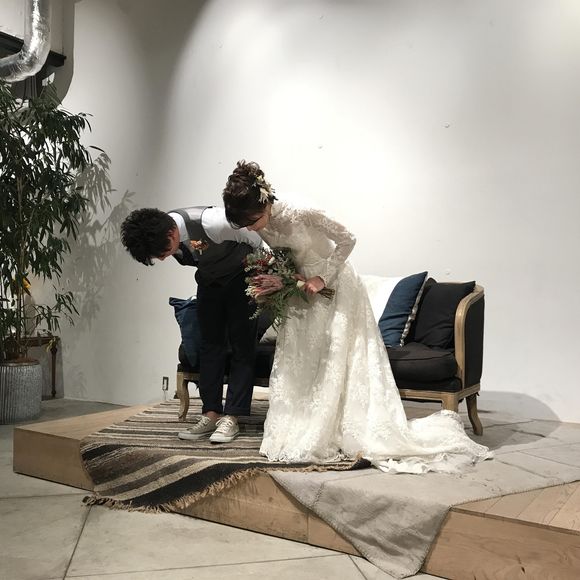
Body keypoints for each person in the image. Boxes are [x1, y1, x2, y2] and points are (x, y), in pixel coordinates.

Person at [222, 161, 491, 473]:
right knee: (300, 361)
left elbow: (348, 239)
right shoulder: (262, 223)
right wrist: (283, 278)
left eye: (253, 221)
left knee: (333, 359)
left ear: (265, 201)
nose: (252, 229)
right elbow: (286, 257)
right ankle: (300, 428)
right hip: (300, 293)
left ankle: (335, 428)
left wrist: (321, 276)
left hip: (334, 288)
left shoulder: (302, 210)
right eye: (246, 225)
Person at [121, 205, 263, 444]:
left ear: (172, 233)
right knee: (210, 347)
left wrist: (261, 276)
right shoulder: (163, 234)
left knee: (242, 347)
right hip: (209, 284)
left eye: (162, 253)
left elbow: (256, 239)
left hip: (242, 280)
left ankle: (232, 417)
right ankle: (210, 414)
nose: (163, 258)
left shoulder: (213, 222)